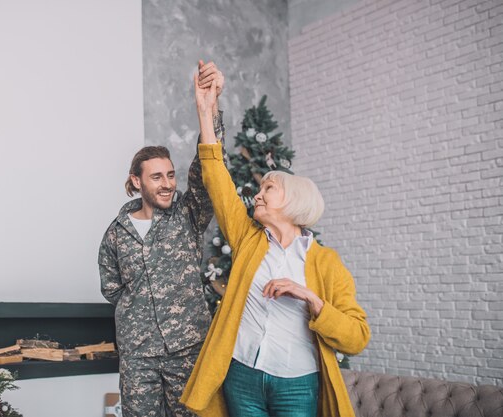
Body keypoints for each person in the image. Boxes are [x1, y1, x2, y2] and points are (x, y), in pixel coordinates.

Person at [180, 64, 370, 417]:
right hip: (242, 377)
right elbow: (216, 175)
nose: (258, 194)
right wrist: (206, 111)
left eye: (269, 188)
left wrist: (310, 298)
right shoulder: (247, 238)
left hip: (297, 383)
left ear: (294, 202)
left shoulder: (326, 263)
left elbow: (357, 336)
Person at [98, 61, 225, 417]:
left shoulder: (188, 213)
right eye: (157, 177)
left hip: (188, 349)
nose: (168, 183)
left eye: (170, 175)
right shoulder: (115, 234)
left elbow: (207, 167)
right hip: (138, 356)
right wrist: (139, 317)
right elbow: (112, 288)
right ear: (137, 181)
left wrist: (209, 108)